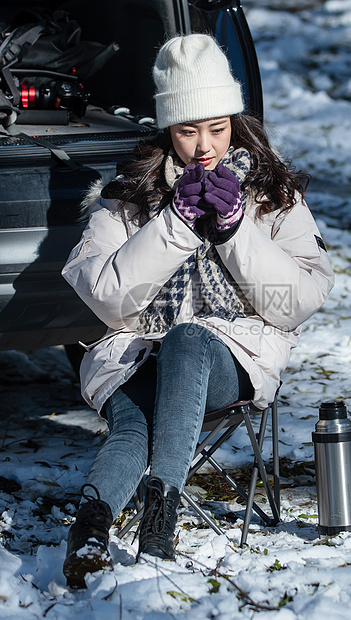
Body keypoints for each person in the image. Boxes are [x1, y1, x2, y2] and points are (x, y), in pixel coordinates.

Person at [61, 33, 334, 588]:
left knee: (188, 337)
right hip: (136, 353)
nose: (204, 145)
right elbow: (110, 300)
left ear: (235, 120)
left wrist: (236, 231)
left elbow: (296, 303)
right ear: (168, 129)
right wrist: (173, 227)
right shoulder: (128, 195)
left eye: (217, 126)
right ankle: (90, 530)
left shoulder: (272, 191)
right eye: (188, 130)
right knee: (135, 422)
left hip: (232, 354)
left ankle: (159, 522)